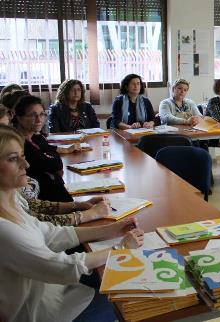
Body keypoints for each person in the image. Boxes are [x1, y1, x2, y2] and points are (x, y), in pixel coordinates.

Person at [0, 124, 144, 322]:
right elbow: (61, 267)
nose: (26, 165)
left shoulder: (13, 200)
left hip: (55, 293)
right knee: (133, 300)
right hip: (41, 312)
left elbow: (50, 234)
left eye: (22, 156)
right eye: (13, 159)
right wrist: (120, 248)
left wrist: (112, 228)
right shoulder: (3, 228)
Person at [12, 95, 80, 202]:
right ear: (19, 118)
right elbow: (54, 164)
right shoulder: (19, 143)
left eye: (41, 114)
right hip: (44, 199)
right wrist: (51, 157)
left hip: (54, 190)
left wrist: (51, 156)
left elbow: (53, 156)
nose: (39, 120)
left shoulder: (36, 137)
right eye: (32, 115)